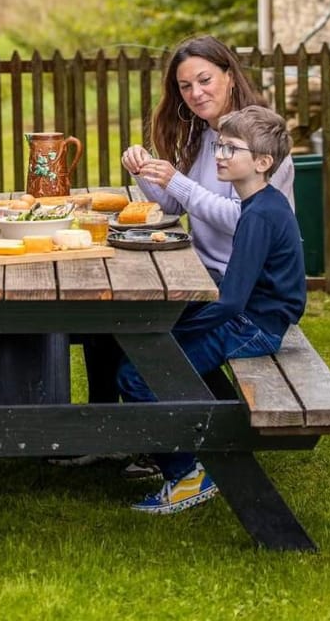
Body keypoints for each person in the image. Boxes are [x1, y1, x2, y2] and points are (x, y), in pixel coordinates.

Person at [119, 103, 306, 515]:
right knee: (149, 348)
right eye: (219, 147)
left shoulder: (258, 217)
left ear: (262, 162)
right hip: (255, 317)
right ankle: (187, 455)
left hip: (253, 326)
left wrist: (174, 338)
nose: (219, 157)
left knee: (140, 373)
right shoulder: (263, 205)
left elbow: (232, 303)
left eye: (230, 150)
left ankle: (186, 474)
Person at [122, 34, 295, 285]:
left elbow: (243, 221)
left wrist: (177, 181)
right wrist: (143, 169)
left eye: (205, 80)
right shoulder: (199, 133)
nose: (196, 93)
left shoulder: (260, 141)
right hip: (202, 269)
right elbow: (173, 206)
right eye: (185, 86)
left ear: (231, 77)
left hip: (250, 285)